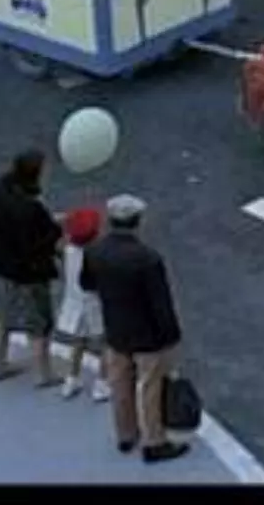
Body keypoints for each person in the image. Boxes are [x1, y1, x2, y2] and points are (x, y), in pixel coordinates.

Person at [81, 195, 188, 464]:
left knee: (120, 384)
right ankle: (154, 441)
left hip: (116, 329)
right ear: (138, 221)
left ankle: (126, 434)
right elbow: (161, 303)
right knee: (150, 386)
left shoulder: (95, 251)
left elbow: (87, 284)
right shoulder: (147, 259)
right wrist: (171, 336)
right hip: (148, 334)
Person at [0, 149, 61, 386]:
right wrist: (54, 225)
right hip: (29, 273)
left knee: (0, 315)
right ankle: (44, 374)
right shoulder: (31, 208)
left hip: (0, 264)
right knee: (38, 323)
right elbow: (43, 238)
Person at [55, 205, 110, 403]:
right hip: (96, 304)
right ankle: (102, 383)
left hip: (74, 302)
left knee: (78, 342)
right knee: (105, 344)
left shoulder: (66, 251)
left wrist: (64, 221)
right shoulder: (99, 254)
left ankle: (72, 379)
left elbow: (56, 239)